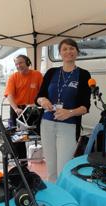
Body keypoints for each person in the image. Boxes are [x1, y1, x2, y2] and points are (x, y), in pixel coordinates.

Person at [36, 38, 91, 182]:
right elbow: (39, 97)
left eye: (72, 48)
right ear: (60, 53)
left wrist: (70, 112)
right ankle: (54, 199)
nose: (68, 51)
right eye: (65, 49)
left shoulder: (84, 75)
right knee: (51, 169)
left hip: (68, 126)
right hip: (47, 124)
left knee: (64, 169)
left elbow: (85, 107)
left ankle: (64, 200)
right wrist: (43, 101)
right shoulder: (51, 72)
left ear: (77, 52)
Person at [4, 55, 43, 165]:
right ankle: (21, 164)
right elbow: (9, 95)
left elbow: (43, 92)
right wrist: (16, 108)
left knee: (37, 134)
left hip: (33, 110)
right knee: (18, 138)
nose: (18, 66)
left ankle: (43, 157)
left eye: (20, 63)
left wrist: (37, 103)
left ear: (28, 62)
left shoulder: (37, 75)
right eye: (16, 64)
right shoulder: (13, 77)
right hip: (18, 110)